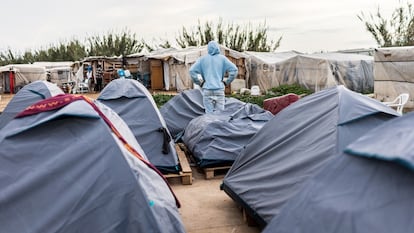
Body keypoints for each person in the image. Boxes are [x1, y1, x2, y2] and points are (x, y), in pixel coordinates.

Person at [189, 41, 238, 113]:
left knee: (209, 114)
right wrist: (227, 82)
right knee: (220, 114)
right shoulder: (222, 59)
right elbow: (234, 70)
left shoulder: (202, 59)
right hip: (219, 89)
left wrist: (199, 83)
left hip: (207, 90)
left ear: (208, 48)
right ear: (218, 48)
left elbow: (192, 71)